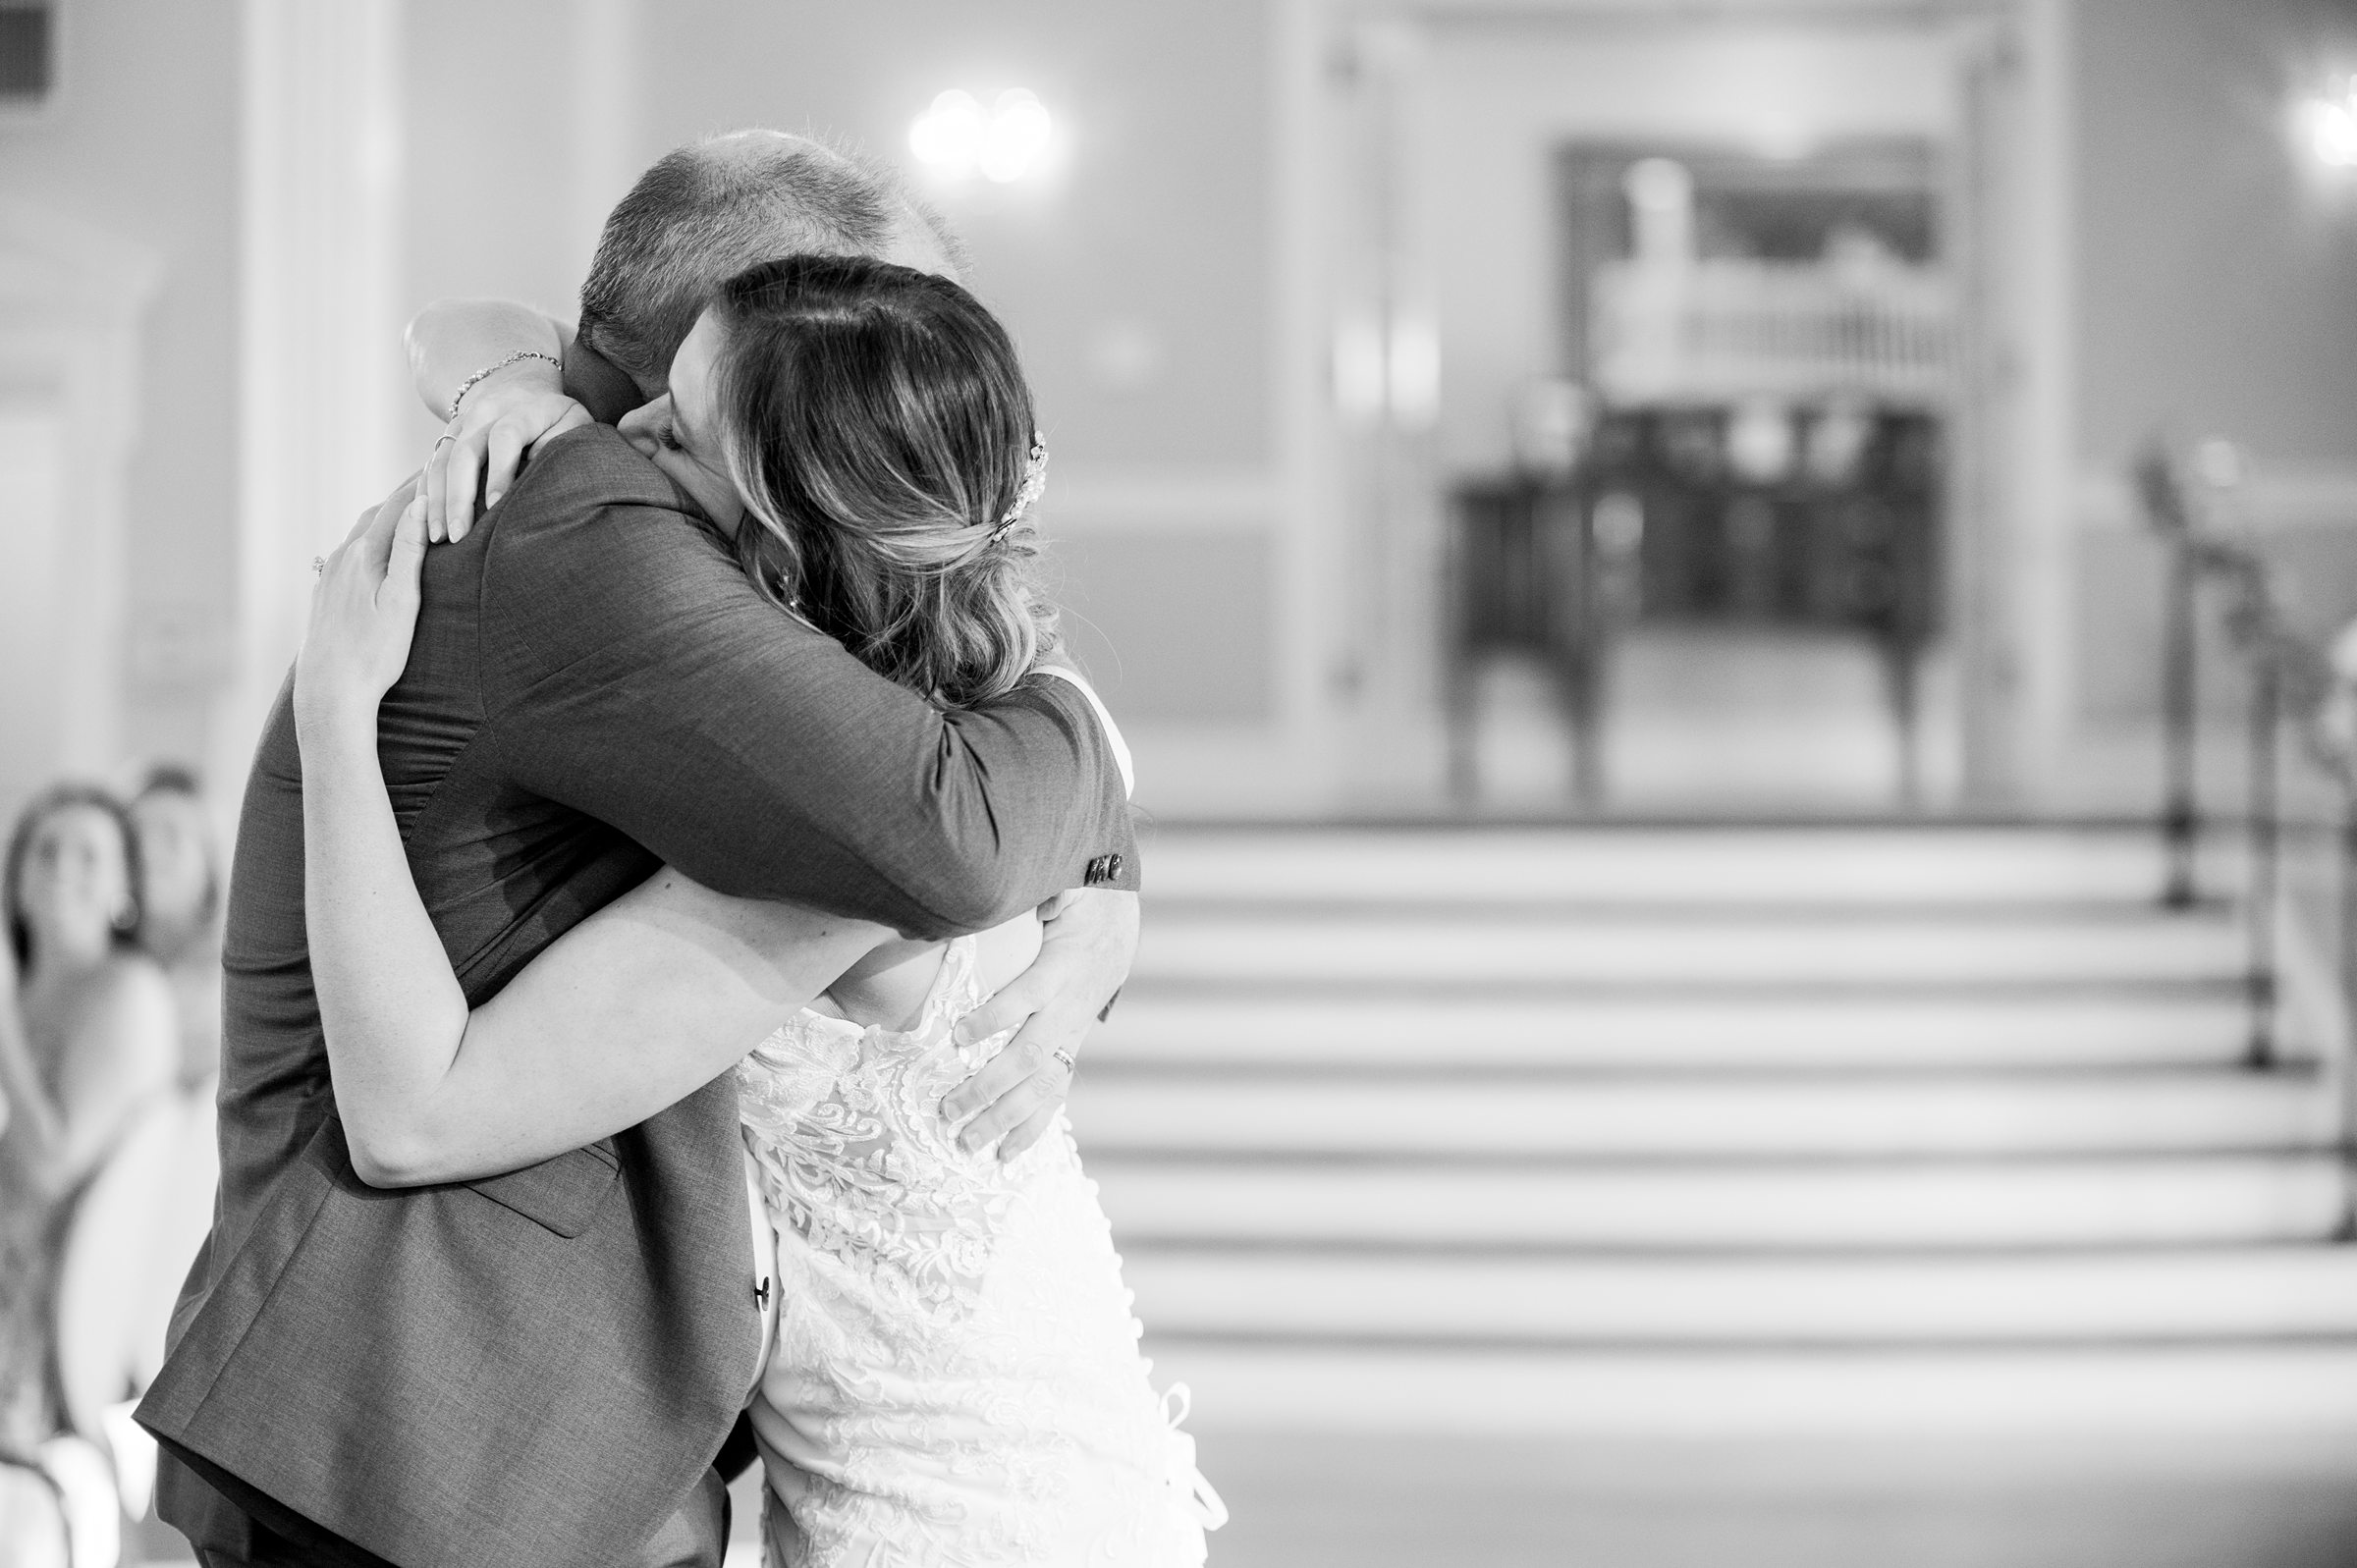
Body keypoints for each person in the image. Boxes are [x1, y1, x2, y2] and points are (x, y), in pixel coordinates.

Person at [137, 131, 1140, 1568]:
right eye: (872, 327)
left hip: (585, 1417)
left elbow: (979, 783)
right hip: (431, 1415)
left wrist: (1107, 885)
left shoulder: (773, 619)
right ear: (761, 337)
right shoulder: (599, 530)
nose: (912, 367)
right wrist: (1101, 849)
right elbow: (960, 833)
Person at [0, 786, 181, 1453]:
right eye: (44, 850)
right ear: (15, 881)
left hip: (45, 1336)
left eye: (88, 853)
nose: (60, 868)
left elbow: (48, 1168)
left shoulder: (131, 994)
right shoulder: (23, 988)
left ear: (124, 890)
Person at [130, 766, 225, 1090]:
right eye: (136, 835)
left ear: (208, 864)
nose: (148, 852)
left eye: (171, 836)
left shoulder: (232, 983)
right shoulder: (104, 963)